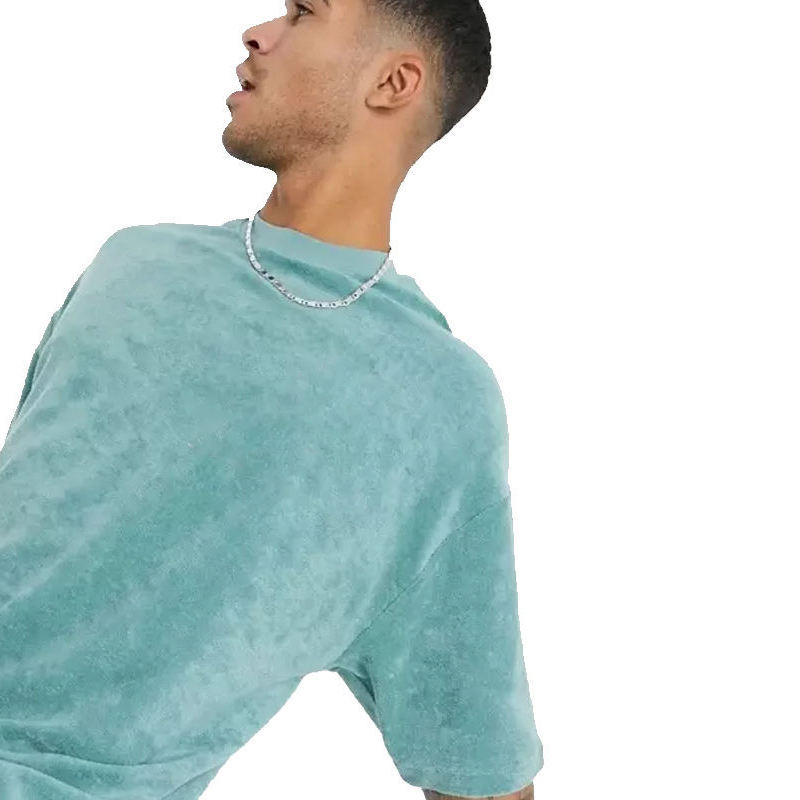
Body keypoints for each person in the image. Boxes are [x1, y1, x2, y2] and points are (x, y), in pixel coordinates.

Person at [0, 0, 544, 797]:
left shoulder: (436, 402)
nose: (257, 32)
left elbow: (475, 751)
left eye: (303, 12)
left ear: (394, 83)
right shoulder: (134, 265)